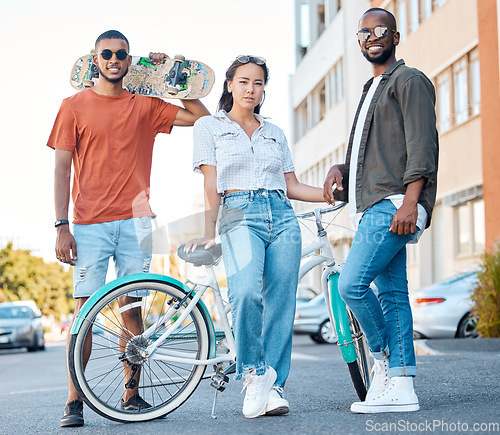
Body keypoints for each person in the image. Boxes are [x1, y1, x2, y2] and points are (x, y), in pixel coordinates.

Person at [47, 30, 209, 427]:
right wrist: (60, 225)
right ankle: (74, 400)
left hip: (137, 222)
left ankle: (131, 394)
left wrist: (171, 78)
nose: (114, 59)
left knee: (132, 311)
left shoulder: (145, 106)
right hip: (88, 225)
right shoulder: (73, 106)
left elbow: (204, 122)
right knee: (83, 313)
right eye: (107, 53)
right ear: (95, 58)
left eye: (121, 54)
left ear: (129, 59)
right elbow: (62, 168)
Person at [184, 55, 324, 418]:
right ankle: (251, 375)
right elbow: (211, 181)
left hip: (282, 215)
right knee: (246, 292)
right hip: (239, 213)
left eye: (258, 83)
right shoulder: (209, 127)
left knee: (281, 302)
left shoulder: (274, 132)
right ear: (229, 84)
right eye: (244, 81)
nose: (251, 89)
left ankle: (274, 385)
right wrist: (207, 229)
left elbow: (291, 185)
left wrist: (329, 194)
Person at [324, 8, 438, 414]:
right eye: (365, 32)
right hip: (377, 202)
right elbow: (376, 149)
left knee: (350, 285)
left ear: (395, 35)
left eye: (380, 30)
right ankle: (402, 387)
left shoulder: (408, 80)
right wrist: (342, 165)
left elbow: (422, 144)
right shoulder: (371, 87)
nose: (372, 37)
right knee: (391, 294)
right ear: (358, 42)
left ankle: (386, 360)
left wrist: (411, 200)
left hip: (393, 203)